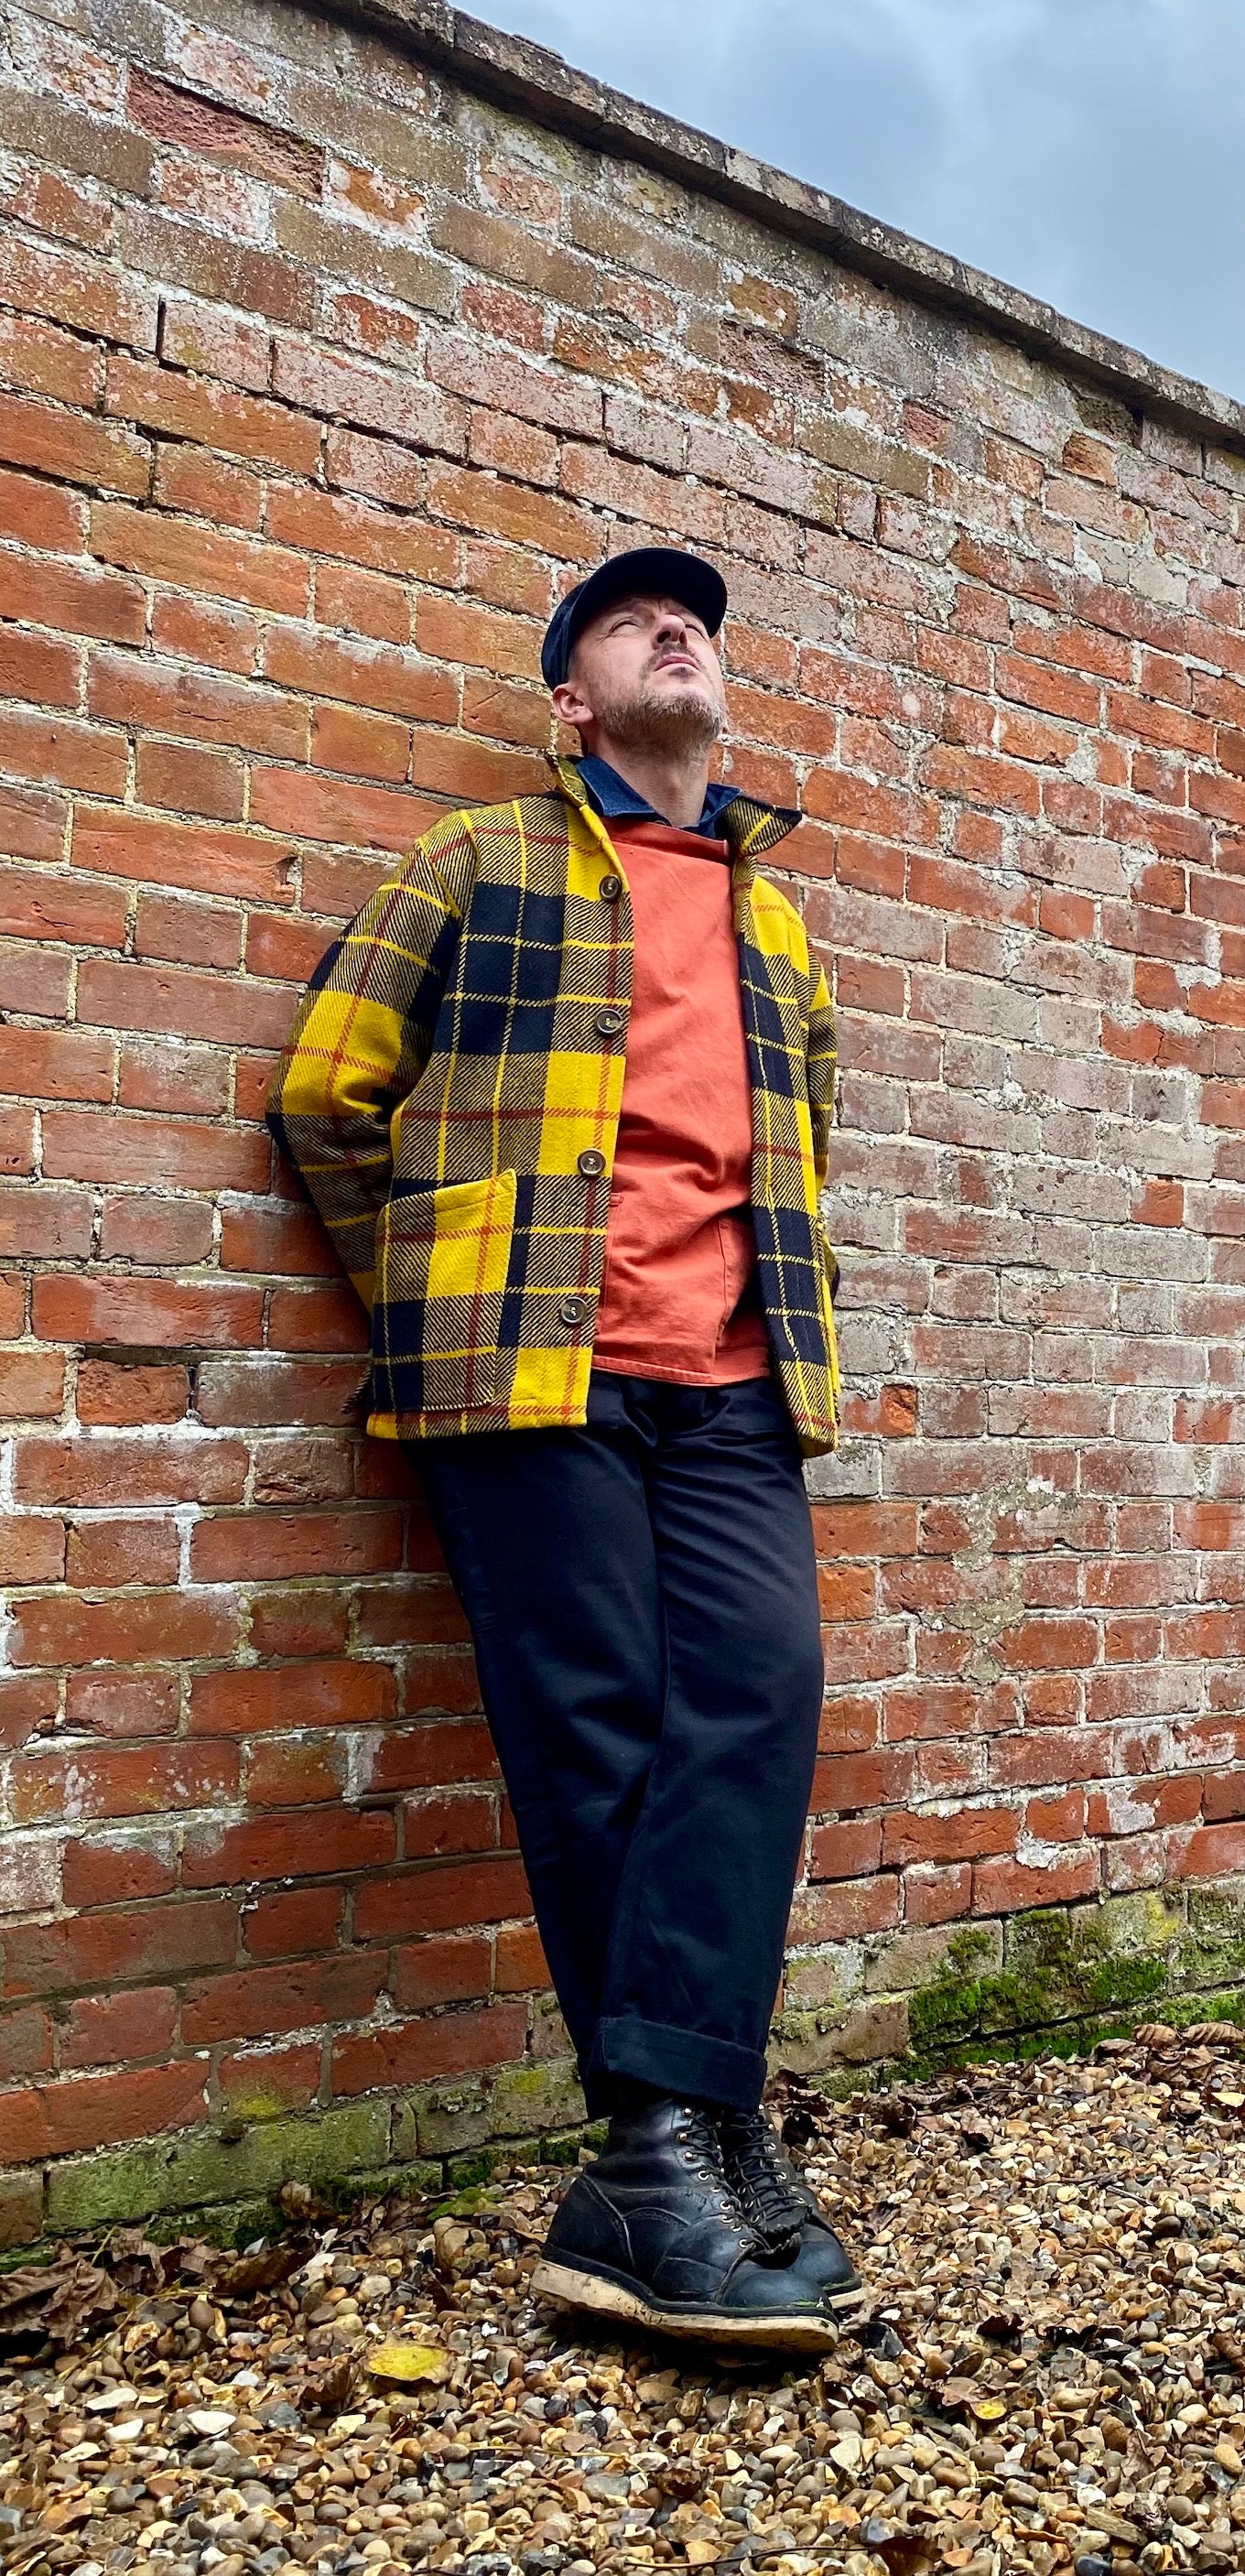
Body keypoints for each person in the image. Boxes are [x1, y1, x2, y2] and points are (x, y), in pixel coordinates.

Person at [269, 545, 861, 2354]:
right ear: (573, 703)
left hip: (735, 1374)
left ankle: (676, 2128)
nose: (676, 630)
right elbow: (326, 1092)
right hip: (530, 1372)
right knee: (594, 1718)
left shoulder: (773, 922)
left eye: (695, 620)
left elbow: (798, 1135)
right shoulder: (476, 862)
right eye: (629, 622)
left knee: (758, 1688)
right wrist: (440, 1292)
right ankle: (676, 2145)